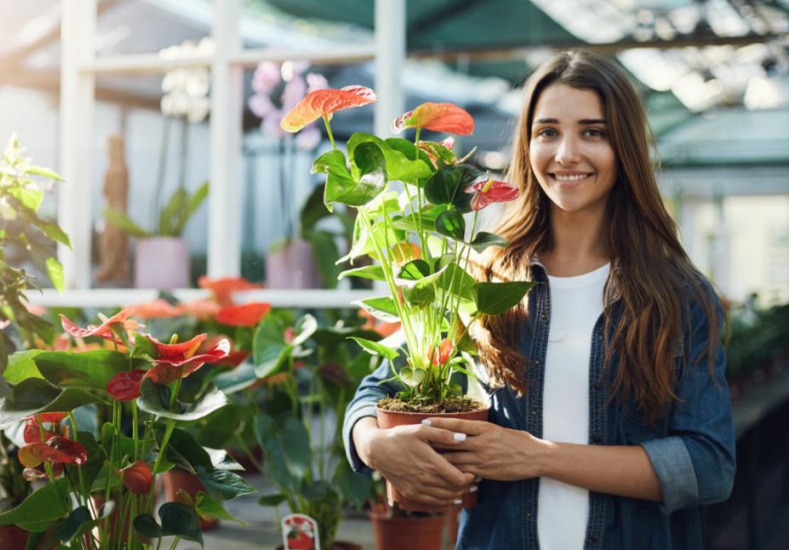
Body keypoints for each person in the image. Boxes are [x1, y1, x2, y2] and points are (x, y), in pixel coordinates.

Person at [342, 50, 735, 550]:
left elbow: (709, 467)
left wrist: (537, 456)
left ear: (626, 147)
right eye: (547, 132)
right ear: (527, 144)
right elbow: (374, 393)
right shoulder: (481, 278)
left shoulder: (677, 296)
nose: (566, 153)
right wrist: (375, 444)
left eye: (593, 132)